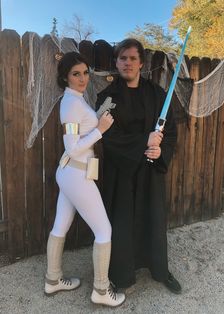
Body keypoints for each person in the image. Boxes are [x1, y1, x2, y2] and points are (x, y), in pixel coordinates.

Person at [96, 39, 182, 294]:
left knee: (153, 219)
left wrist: (159, 149)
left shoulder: (157, 94)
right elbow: (106, 137)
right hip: (122, 173)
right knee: (121, 222)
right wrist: (144, 139)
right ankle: (121, 274)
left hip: (149, 171)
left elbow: (171, 132)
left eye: (133, 58)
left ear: (141, 63)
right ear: (116, 63)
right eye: (122, 58)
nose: (127, 63)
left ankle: (159, 269)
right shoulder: (107, 98)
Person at [44, 51, 125, 307]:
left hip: (72, 172)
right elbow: (72, 147)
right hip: (76, 172)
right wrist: (100, 130)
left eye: (85, 72)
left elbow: (82, 129)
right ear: (65, 77)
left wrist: (98, 118)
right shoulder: (70, 104)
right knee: (104, 231)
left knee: (60, 226)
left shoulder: (76, 100)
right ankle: (101, 290)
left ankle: (52, 280)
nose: (82, 78)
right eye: (75, 74)